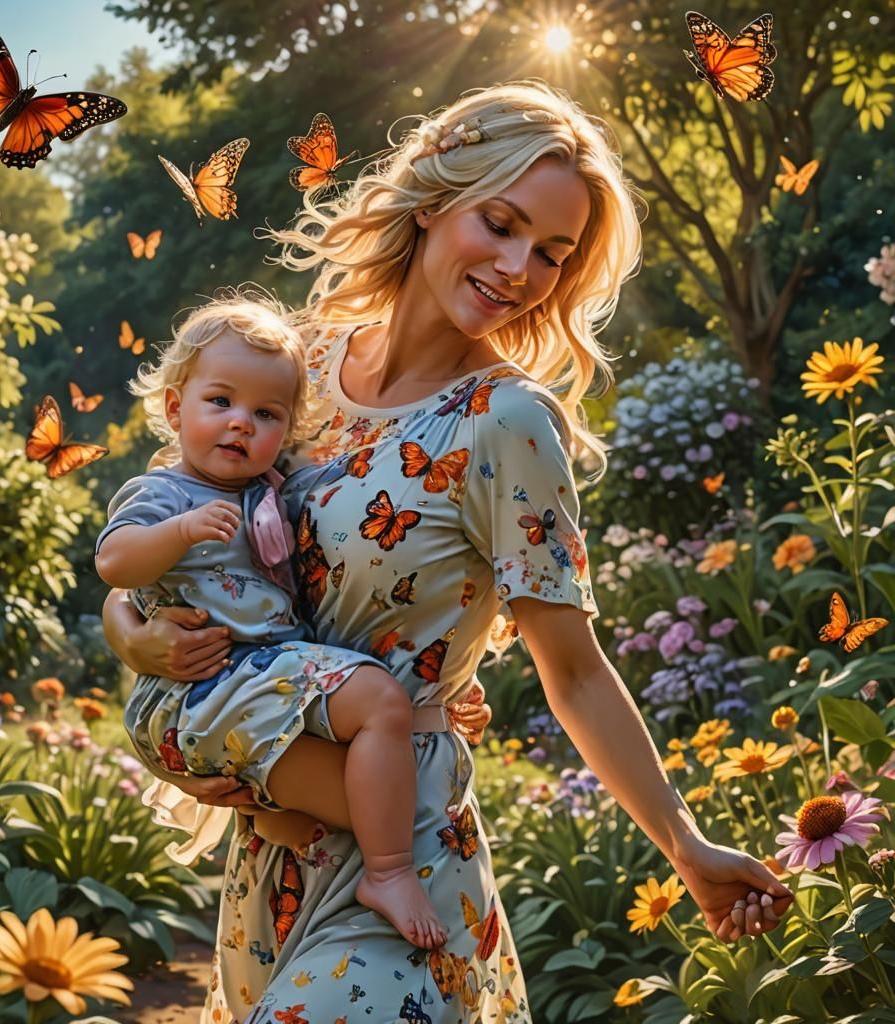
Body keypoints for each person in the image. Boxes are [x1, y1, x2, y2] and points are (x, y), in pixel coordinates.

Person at [103, 80, 795, 1023]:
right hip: (273, 847)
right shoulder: (298, 362)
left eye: (552, 253)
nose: (520, 268)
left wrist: (687, 847)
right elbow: (172, 526)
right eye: (501, 224)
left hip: (403, 854)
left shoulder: (507, 420)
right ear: (434, 199)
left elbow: (576, 671)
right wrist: (130, 636)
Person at [95, 293, 449, 949]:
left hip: (258, 683)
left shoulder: (270, 488)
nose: (240, 424)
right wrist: (180, 531)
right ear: (176, 409)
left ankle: (288, 818)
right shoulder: (165, 493)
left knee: (364, 799)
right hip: (203, 690)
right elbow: (113, 562)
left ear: (286, 431)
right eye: (220, 402)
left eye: (265, 414)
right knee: (377, 713)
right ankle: (389, 871)